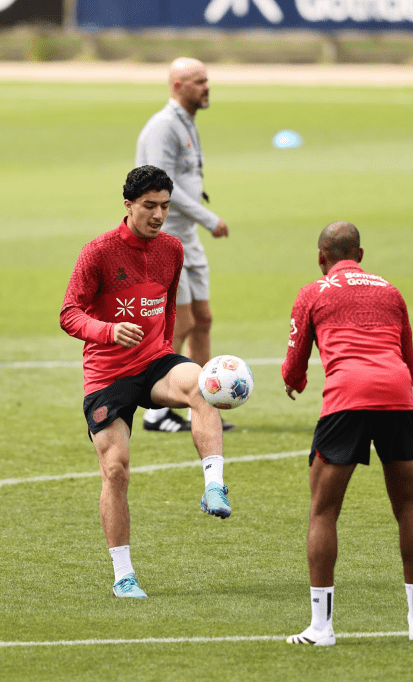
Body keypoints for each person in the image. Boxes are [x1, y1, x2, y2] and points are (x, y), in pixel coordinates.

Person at [60, 165, 232, 599]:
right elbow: (69, 313)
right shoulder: (98, 252)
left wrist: (165, 348)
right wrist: (108, 330)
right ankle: (124, 575)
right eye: (149, 206)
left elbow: (169, 306)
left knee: (204, 384)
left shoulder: (172, 249)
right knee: (116, 470)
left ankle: (214, 486)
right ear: (128, 205)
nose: (158, 215)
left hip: (154, 360)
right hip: (107, 373)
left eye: (165, 206)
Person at [281, 221, 413, 645]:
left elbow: (296, 357)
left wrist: (294, 381)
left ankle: (321, 628)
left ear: (321, 257)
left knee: (324, 511)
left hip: (346, 397)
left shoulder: (313, 291)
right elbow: (409, 361)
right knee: (409, 506)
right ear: (360, 255)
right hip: (397, 394)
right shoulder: (390, 291)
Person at [135, 57, 234, 433]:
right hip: (165, 238)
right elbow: (163, 186)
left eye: (207, 80)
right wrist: (209, 218)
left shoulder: (186, 121)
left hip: (186, 237)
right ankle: (156, 409)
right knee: (181, 322)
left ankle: (201, 405)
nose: (207, 87)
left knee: (202, 319)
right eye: (198, 82)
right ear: (177, 85)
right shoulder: (163, 126)